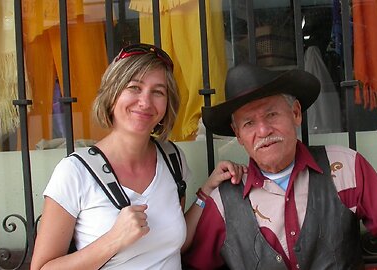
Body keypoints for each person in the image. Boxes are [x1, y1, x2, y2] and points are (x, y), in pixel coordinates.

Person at [182, 63, 377, 269]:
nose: (263, 130)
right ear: (238, 134)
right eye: (249, 123)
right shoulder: (223, 200)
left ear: (296, 113)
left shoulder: (344, 168)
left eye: (272, 114)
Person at [30, 43, 245, 270]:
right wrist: (114, 239)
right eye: (134, 87)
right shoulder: (75, 171)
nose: (145, 102)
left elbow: (172, 245)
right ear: (112, 94)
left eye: (158, 92)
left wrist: (207, 191)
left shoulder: (172, 159)